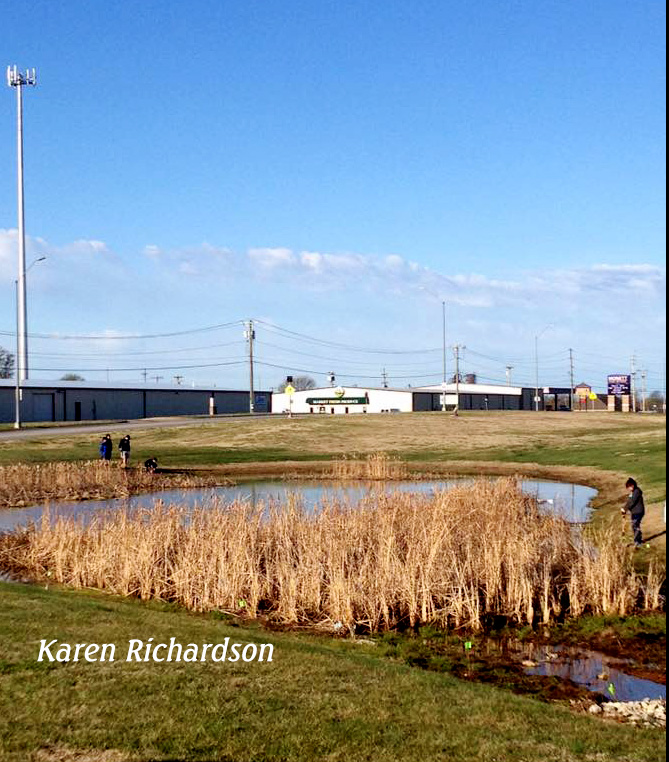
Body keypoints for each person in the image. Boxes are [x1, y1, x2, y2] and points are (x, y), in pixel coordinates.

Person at [622, 477, 645, 548]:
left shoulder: (637, 492)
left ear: (632, 485)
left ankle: (637, 542)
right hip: (634, 512)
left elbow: (632, 502)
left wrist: (625, 509)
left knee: (635, 525)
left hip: (638, 512)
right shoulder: (632, 493)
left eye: (629, 487)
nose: (628, 489)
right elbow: (629, 502)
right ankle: (639, 540)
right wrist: (624, 508)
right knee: (634, 526)